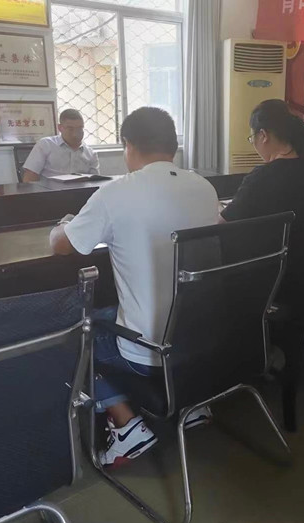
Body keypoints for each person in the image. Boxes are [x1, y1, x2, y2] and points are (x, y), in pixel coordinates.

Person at [50, 107, 218, 466]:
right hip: (202, 344)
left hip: (148, 355)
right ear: (173, 145)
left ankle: (126, 425)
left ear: (128, 145)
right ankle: (191, 404)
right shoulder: (204, 187)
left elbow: (62, 246)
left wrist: (63, 225)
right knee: (127, 311)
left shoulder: (117, 192)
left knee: (78, 331)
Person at [220, 99, 304, 290]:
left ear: (263, 135)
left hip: (266, 276)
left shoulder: (262, 177)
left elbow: (221, 225)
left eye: (252, 138)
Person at [22, 109, 100, 182]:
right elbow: (30, 177)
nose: (75, 134)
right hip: (50, 190)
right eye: (70, 129)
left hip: (81, 191)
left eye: (80, 128)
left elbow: (96, 182)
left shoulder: (91, 153)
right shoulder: (46, 145)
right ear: (60, 128)